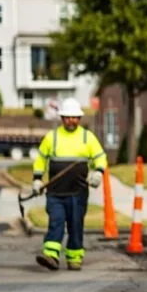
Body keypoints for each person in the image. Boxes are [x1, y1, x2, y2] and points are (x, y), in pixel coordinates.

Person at [32, 98, 108, 271]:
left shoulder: (87, 138)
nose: (71, 120)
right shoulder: (52, 137)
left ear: (79, 118)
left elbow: (100, 157)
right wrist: (37, 179)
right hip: (55, 192)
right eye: (67, 117)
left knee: (75, 224)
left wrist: (98, 173)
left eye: (74, 117)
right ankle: (51, 256)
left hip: (78, 192)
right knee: (56, 222)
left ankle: (74, 258)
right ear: (62, 118)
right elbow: (41, 159)